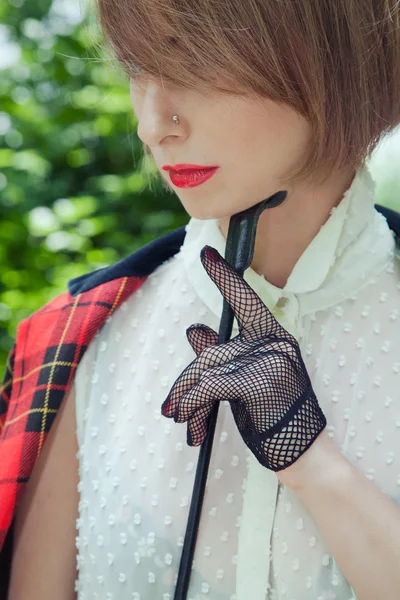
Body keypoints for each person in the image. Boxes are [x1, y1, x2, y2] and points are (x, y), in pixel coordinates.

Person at [1, 0, 400, 598]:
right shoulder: (80, 340)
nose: (154, 123)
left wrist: (314, 465)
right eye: (139, 67)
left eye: (192, 59)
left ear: (327, 53)